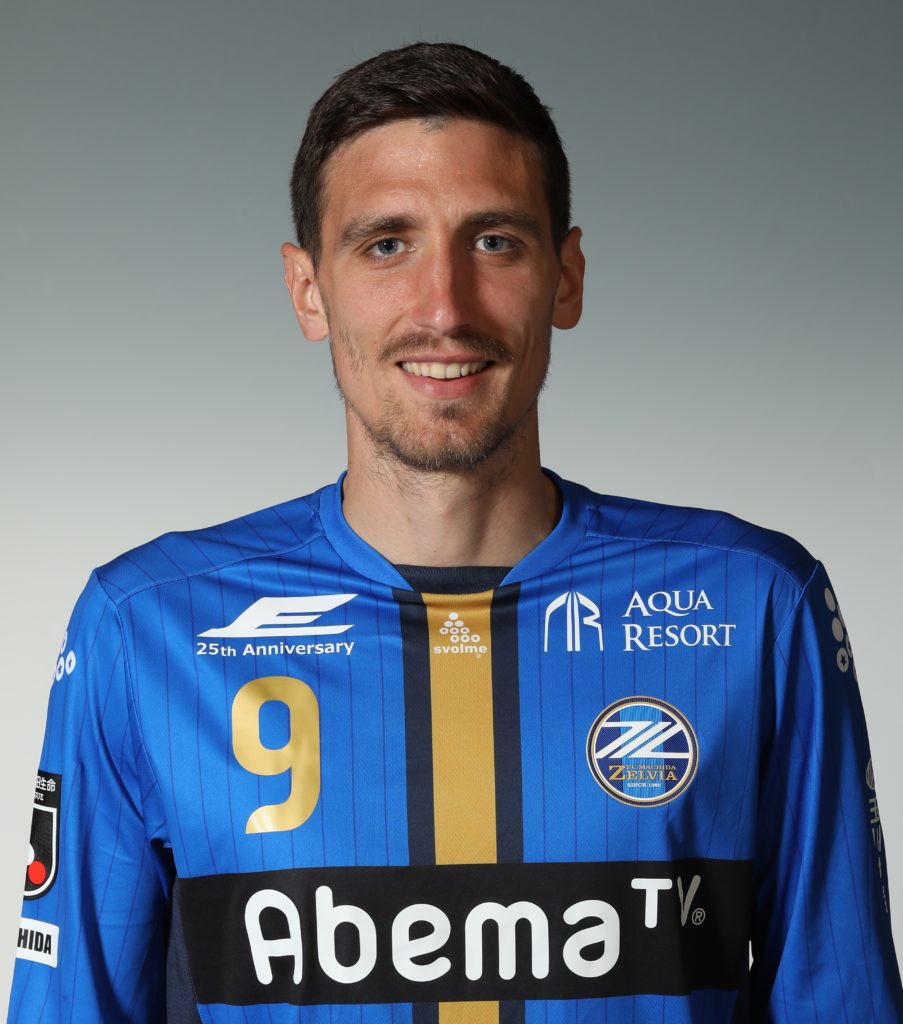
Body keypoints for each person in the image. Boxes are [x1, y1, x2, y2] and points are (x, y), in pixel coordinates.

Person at [7, 40, 902, 1024]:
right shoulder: (146, 628)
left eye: (495, 242)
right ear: (308, 289)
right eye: (386, 244)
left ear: (566, 277)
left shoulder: (753, 605)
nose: (444, 307)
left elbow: (843, 1001)